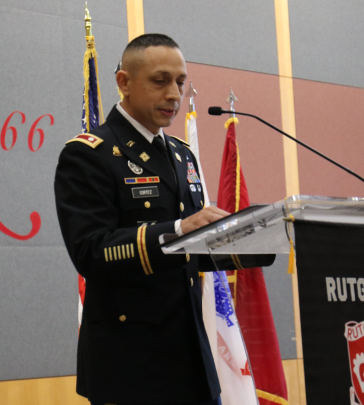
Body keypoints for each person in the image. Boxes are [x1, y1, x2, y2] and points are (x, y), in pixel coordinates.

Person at [54, 34, 274, 405]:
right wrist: (176, 230)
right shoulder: (89, 154)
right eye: (161, 81)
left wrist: (257, 241)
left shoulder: (181, 155)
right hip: (130, 362)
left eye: (181, 82)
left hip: (191, 352)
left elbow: (190, 252)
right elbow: (90, 252)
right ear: (124, 82)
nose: (175, 94)